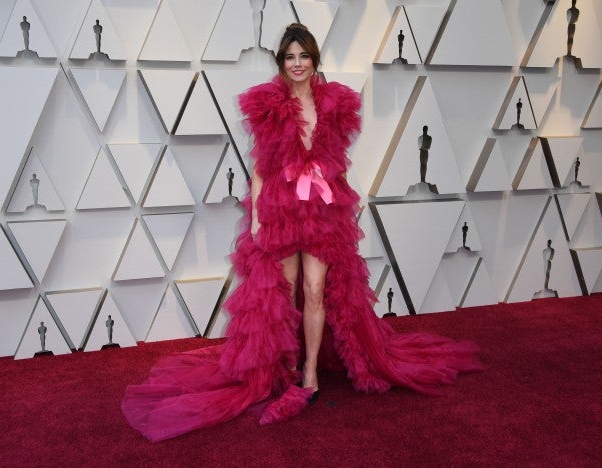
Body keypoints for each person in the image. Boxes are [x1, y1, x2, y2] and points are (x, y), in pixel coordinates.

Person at [122, 23, 481, 442]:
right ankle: (286, 366)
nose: (297, 64)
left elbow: (336, 159)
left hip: (324, 210)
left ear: (314, 60)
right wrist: (256, 218)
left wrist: (346, 194)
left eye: (304, 56)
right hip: (280, 208)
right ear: (282, 62)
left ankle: (310, 370)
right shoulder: (268, 105)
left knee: (315, 290)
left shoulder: (334, 104)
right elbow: (260, 166)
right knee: (284, 292)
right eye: (290, 57)